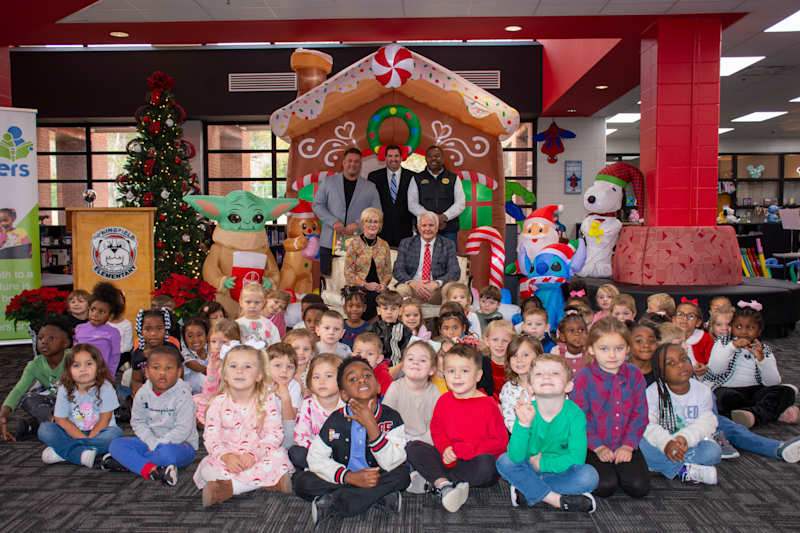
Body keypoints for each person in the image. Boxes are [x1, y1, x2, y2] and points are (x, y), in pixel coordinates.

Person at [293, 356, 410, 526]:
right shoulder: (336, 419)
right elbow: (315, 458)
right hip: (344, 476)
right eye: (352, 379)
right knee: (301, 481)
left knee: (402, 475)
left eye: (367, 376)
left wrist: (372, 426)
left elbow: (394, 460)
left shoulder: (391, 418)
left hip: (377, 475)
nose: (361, 379)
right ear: (344, 394)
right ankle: (377, 497)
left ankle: (335, 503)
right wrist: (349, 477)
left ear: (378, 387)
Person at [405, 344, 508, 513]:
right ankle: (445, 486)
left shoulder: (488, 404)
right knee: (413, 447)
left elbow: (500, 443)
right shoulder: (444, 400)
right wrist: (445, 448)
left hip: (474, 460)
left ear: (478, 375)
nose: (457, 376)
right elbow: (437, 429)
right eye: (451, 371)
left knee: (488, 466)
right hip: (449, 458)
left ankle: (435, 480)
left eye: (465, 371)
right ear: (444, 374)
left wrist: (466, 450)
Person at [496, 354, 599, 512]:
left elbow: (577, 458)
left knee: (589, 476)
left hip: (561, 470)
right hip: (529, 467)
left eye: (555, 373)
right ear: (530, 387)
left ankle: (527, 491)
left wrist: (543, 463)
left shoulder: (575, 414)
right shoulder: (527, 410)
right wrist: (523, 424)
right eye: (539, 374)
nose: (546, 377)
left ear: (568, 386)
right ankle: (555, 499)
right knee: (504, 461)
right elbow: (516, 457)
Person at [193, 344, 293, 507]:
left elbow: (274, 435)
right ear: (224, 374)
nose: (239, 371)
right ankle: (269, 482)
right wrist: (226, 456)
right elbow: (211, 438)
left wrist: (253, 455)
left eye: (247, 367)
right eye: (233, 366)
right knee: (206, 469)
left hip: (258, 455)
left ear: (259, 375)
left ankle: (231, 488)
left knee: (279, 457)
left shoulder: (266, 400)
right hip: (228, 457)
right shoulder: (217, 403)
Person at [572, 317, 649, 499]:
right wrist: (597, 447)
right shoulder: (584, 376)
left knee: (639, 487)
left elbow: (640, 414)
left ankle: (620, 469)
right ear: (591, 349)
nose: (612, 355)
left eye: (619, 349)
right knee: (605, 486)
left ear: (628, 349)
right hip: (594, 446)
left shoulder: (634, 374)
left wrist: (628, 446)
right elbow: (579, 417)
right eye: (604, 349)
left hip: (625, 443)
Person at [104, 345, 198, 486]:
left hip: (179, 445)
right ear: (146, 372)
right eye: (156, 368)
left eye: (168, 368)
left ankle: (130, 462)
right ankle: (152, 470)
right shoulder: (142, 393)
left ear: (179, 372)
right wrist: (151, 442)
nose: (162, 373)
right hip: (149, 442)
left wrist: (158, 445)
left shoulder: (183, 395)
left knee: (168, 454)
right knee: (116, 445)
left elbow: (182, 431)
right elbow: (137, 422)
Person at [705, 301, 797, 428]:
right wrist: (732, 347)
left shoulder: (763, 349)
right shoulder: (723, 342)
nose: (743, 332)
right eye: (738, 327)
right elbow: (715, 369)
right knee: (724, 399)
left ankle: (752, 416)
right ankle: (773, 412)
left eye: (750, 328)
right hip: (728, 389)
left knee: (787, 391)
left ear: (759, 331)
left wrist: (762, 360)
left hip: (754, 391)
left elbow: (772, 382)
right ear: (731, 328)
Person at [640, 344, 722, 484]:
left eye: (684, 359)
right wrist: (666, 443)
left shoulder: (703, 391)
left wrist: (685, 438)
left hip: (690, 444)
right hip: (662, 444)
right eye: (671, 363)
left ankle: (664, 465)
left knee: (713, 451)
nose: (680, 365)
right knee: (640, 444)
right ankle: (684, 470)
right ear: (660, 372)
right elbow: (648, 425)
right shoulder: (652, 393)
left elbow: (707, 421)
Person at [37, 343, 123, 468]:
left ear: (98, 367)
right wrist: (81, 437)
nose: (83, 369)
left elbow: (105, 418)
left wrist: (88, 438)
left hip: (100, 433)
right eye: (76, 365)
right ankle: (82, 453)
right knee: (45, 429)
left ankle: (63, 452)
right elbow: (61, 420)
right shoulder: (64, 388)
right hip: (73, 432)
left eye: (89, 364)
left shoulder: (105, 387)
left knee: (115, 435)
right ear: (68, 370)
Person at [1, 316, 73, 440]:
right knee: (27, 398)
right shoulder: (35, 364)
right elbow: (18, 390)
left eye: (51, 338)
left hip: (77, 403)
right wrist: (3, 414)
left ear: (65, 343)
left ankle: (35, 425)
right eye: (40, 338)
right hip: (54, 405)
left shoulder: (75, 359)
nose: (44, 342)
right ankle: (53, 422)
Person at [383, 341, 441, 493]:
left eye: (422, 360)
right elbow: (386, 418)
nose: (416, 362)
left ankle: (424, 475)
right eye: (410, 359)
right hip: (399, 439)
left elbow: (435, 426)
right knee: (388, 459)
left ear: (432, 370)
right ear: (403, 365)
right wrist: (400, 442)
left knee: (430, 452)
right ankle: (416, 475)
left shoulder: (434, 392)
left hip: (423, 442)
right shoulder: (395, 387)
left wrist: (419, 442)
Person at [312, 147, 381, 276]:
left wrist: (359, 224)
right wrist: (333, 222)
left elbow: (376, 212)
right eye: (349, 161)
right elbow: (317, 205)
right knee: (328, 281)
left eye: (356, 162)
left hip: (359, 244)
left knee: (357, 281)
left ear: (360, 165)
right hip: (329, 242)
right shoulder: (328, 182)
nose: (352, 164)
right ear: (343, 163)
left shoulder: (370, 187)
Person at [289, 354, 345, 470]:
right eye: (316, 377)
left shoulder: (346, 405)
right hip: (313, 451)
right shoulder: (308, 403)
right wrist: (317, 452)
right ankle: (322, 470)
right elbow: (301, 434)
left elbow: (348, 434)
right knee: (296, 453)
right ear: (309, 381)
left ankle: (329, 471)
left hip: (339, 451)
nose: (321, 382)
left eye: (328, 376)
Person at [393, 211, 461, 304]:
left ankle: (447, 318)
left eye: (431, 225)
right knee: (402, 289)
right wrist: (412, 283)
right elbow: (398, 270)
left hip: (436, 291)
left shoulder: (448, 244)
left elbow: (454, 271)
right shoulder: (406, 243)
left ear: (437, 228)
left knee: (449, 289)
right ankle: (406, 318)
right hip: (413, 288)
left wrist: (437, 283)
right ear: (418, 228)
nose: (427, 229)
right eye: (424, 225)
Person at [407, 145, 465, 243]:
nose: (433, 159)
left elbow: (460, 203)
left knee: (449, 258)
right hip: (425, 229)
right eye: (430, 156)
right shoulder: (417, 178)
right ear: (426, 158)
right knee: (425, 258)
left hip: (448, 229)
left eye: (437, 156)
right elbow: (412, 204)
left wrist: (444, 217)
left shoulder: (454, 178)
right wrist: (432, 219)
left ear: (443, 158)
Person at [343, 207, 392, 320]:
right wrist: (365, 285)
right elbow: (348, 272)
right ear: (363, 224)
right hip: (358, 287)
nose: (372, 225)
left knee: (389, 300)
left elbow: (388, 272)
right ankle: (366, 329)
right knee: (368, 299)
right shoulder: (354, 244)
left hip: (379, 288)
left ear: (380, 225)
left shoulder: (384, 245)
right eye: (368, 221)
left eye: (375, 222)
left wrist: (383, 285)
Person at [193, 319, 241, 426]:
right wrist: (213, 369)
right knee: (194, 401)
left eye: (223, 342)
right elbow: (210, 389)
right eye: (213, 341)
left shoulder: (241, 362)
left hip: (234, 401)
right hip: (215, 397)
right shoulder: (214, 361)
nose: (217, 346)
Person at [367, 144, 415, 247]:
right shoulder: (374, 177)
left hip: (405, 231)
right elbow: (369, 204)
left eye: (396, 156)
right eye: (390, 156)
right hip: (381, 231)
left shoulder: (413, 177)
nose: (393, 159)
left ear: (401, 158)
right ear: (385, 158)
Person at [74, 282, 123, 377]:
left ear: (110, 316)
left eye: (101, 312)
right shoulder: (79, 329)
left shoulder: (113, 332)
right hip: (80, 374)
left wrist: (110, 376)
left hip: (101, 375)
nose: (95, 314)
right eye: (93, 309)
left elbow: (115, 357)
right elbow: (74, 352)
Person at [499, 335, 542, 433]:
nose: (519, 360)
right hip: (523, 439)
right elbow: (510, 421)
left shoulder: (548, 384)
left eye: (525, 355)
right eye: (514, 355)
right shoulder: (508, 389)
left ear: (539, 357)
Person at [130, 309, 174, 397]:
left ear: (166, 329)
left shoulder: (172, 351)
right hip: (147, 393)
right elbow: (136, 380)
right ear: (141, 331)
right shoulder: (138, 354)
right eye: (148, 329)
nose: (153, 333)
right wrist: (138, 389)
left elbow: (180, 375)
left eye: (159, 328)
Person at [267, 343, 302, 448]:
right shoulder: (261, 384)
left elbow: (290, 419)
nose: (284, 371)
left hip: (285, 428)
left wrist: (285, 397)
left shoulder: (294, 386)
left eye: (290, 367)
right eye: (278, 365)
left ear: (295, 371)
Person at [369, 290, 412, 366]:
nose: (389, 312)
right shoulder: (373, 328)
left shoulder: (405, 329)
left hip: (397, 364)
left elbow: (407, 348)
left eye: (393, 309)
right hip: (377, 364)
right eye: (385, 308)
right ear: (379, 310)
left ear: (400, 311)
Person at [673, 297, 712, 377]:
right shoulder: (666, 337)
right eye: (680, 314)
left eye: (691, 316)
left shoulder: (705, 338)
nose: (685, 318)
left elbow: (712, 361)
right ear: (673, 320)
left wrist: (705, 368)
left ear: (698, 322)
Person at [482, 320, 515, 402]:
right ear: (487, 341)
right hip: (489, 405)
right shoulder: (481, 364)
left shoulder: (516, 365)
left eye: (505, 341)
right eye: (495, 340)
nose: (500, 344)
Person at [284, 328, 316, 396]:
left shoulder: (315, 372)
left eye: (306, 349)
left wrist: (301, 386)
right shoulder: (282, 370)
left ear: (312, 352)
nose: (301, 352)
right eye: (296, 348)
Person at [181, 318, 209, 394]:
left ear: (206, 336)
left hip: (211, 385)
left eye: (199, 335)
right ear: (184, 339)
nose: (195, 339)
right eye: (190, 336)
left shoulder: (210, 348)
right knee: (201, 378)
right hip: (193, 393)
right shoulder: (185, 353)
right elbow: (201, 369)